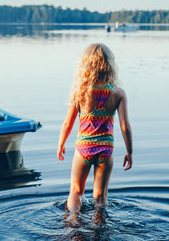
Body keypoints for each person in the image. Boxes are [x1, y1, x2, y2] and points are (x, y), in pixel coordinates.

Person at [57, 43, 133, 213]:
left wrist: (61, 143)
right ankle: (99, 230)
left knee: (76, 191)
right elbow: (125, 127)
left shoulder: (81, 91)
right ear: (110, 66)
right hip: (105, 150)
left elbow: (68, 122)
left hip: (84, 147)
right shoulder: (118, 93)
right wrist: (130, 152)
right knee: (100, 197)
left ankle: (73, 226)